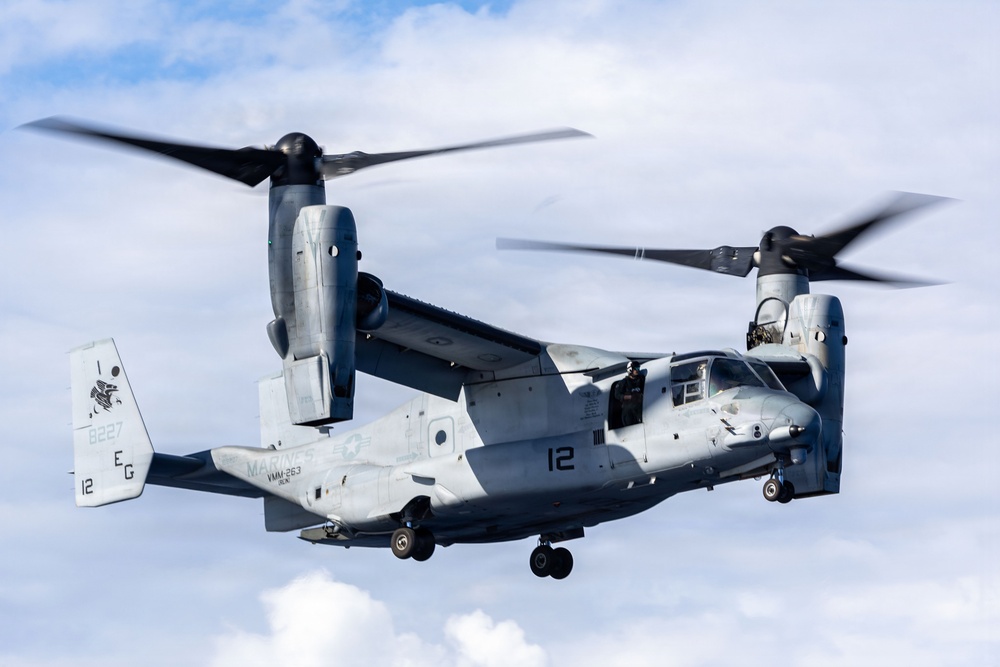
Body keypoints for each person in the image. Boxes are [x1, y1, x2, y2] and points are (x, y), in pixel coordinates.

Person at [614, 361, 645, 426]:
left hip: (639, 409)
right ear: (630, 369)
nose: (637, 370)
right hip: (628, 411)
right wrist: (630, 397)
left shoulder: (641, 380)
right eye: (635, 369)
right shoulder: (624, 382)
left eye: (638, 368)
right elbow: (617, 395)